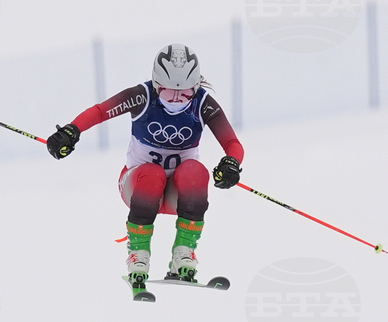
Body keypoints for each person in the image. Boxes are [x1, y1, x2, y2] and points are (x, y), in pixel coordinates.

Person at [46, 43, 245, 297]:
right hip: (138, 185)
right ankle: (138, 255)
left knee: (196, 171)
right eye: (167, 92)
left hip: (177, 194)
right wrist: (72, 130)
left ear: (195, 87)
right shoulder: (142, 96)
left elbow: (232, 143)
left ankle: (183, 254)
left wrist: (231, 163)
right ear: (156, 84)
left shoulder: (203, 104)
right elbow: (101, 111)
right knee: (152, 174)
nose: (176, 99)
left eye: (185, 93)